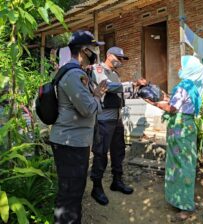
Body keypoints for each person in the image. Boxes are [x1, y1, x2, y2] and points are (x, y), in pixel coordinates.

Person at [49, 30, 107, 224]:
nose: (95, 53)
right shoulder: (74, 74)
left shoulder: (77, 73)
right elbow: (88, 109)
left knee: (73, 191)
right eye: (93, 48)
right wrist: (97, 96)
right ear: (84, 50)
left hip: (74, 141)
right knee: (70, 193)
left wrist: (94, 93)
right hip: (69, 143)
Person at [145, 55, 203, 221]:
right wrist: (165, 97)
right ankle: (179, 200)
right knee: (183, 162)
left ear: (189, 69)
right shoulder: (195, 85)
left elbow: (172, 108)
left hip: (180, 128)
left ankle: (185, 206)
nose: (180, 68)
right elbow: (180, 102)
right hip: (188, 126)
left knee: (181, 164)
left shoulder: (184, 85)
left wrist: (153, 102)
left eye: (183, 65)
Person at [90, 46, 142, 206]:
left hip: (117, 119)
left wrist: (137, 89)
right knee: (100, 154)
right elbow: (107, 86)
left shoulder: (115, 74)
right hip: (103, 119)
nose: (120, 61)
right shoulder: (98, 69)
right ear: (109, 55)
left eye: (122, 59)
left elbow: (120, 92)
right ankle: (96, 187)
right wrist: (130, 85)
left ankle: (117, 181)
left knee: (118, 152)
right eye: (118, 57)